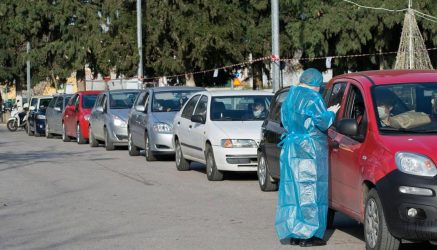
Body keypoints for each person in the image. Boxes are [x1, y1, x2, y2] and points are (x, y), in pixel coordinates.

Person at [275, 68, 340, 247]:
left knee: (294, 191)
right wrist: (332, 112)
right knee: (311, 190)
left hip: (292, 149)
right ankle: (309, 235)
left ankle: (295, 233)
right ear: (316, 84)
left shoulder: (290, 96)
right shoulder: (313, 98)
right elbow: (323, 121)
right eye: (319, 86)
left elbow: (284, 121)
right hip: (310, 150)